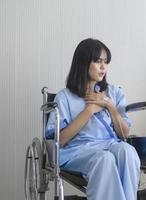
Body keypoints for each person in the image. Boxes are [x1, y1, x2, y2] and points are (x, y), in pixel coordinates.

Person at [46, 38, 140, 200]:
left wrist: (110, 106)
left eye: (105, 61)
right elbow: (60, 140)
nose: (103, 67)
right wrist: (89, 110)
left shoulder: (114, 93)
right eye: (97, 61)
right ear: (83, 63)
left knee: (127, 151)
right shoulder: (65, 97)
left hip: (109, 145)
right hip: (77, 151)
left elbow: (124, 133)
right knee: (104, 159)